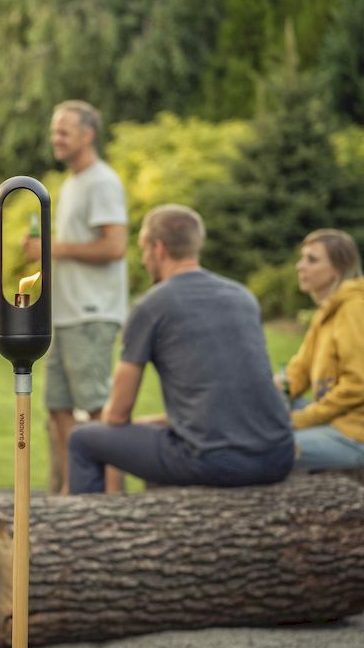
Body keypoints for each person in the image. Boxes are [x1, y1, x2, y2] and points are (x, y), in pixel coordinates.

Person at [68, 206, 294, 494]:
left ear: (158, 249)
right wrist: (162, 422)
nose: (144, 259)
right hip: (277, 456)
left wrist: (134, 424)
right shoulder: (242, 297)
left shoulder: (152, 306)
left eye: (144, 249)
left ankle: (87, 537)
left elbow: (117, 416)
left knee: (83, 440)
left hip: (212, 461)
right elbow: (231, 390)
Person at [23, 100, 128, 494]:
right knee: (58, 407)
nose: (57, 138)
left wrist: (51, 248)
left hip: (91, 313)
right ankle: (74, 493)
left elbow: (114, 246)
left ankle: (114, 499)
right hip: (64, 317)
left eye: (65, 130)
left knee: (99, 409)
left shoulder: (102, 181)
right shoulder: (72, 183)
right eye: (54, 130)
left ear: (89, 134)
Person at [278, 229, 364, 470]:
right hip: (334, 419)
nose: (299, 266)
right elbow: (299, 370)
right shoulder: (326, 312)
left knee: (268, 448)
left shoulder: (354, 309)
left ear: (336, 269)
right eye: (302, 258)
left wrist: (303, 419)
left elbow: (358, 384)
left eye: (311, 260)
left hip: (354, 433)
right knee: (262, 408)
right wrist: (274, 390)